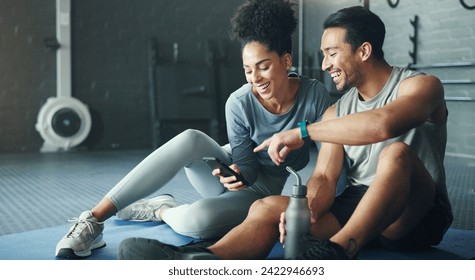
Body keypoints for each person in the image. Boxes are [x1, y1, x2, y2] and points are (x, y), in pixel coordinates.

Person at [117, 5, 453, 260]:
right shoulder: (338, 110)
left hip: (413, 213)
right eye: (323, 55)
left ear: (363, 51)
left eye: (332, 53)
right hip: (355, 205)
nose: (324, 65)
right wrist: (306, 211)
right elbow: (323, 176)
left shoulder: (421, 86)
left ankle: (336, 252)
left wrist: (301, 133)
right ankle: (201, 260)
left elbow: (383, 125)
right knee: (266, 207)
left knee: (395, 154)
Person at [55, 0, 339, 259]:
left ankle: (162, 209)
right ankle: (93, 219)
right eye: (248, 70)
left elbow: (329, 159)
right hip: (228, 169)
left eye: (263, 67)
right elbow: (247, 166)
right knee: (191, 138)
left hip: (261, 189)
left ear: (286, 61)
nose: (256, 78)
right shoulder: (238, 102)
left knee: (198, 222)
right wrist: (238, 172)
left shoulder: (315, 96)